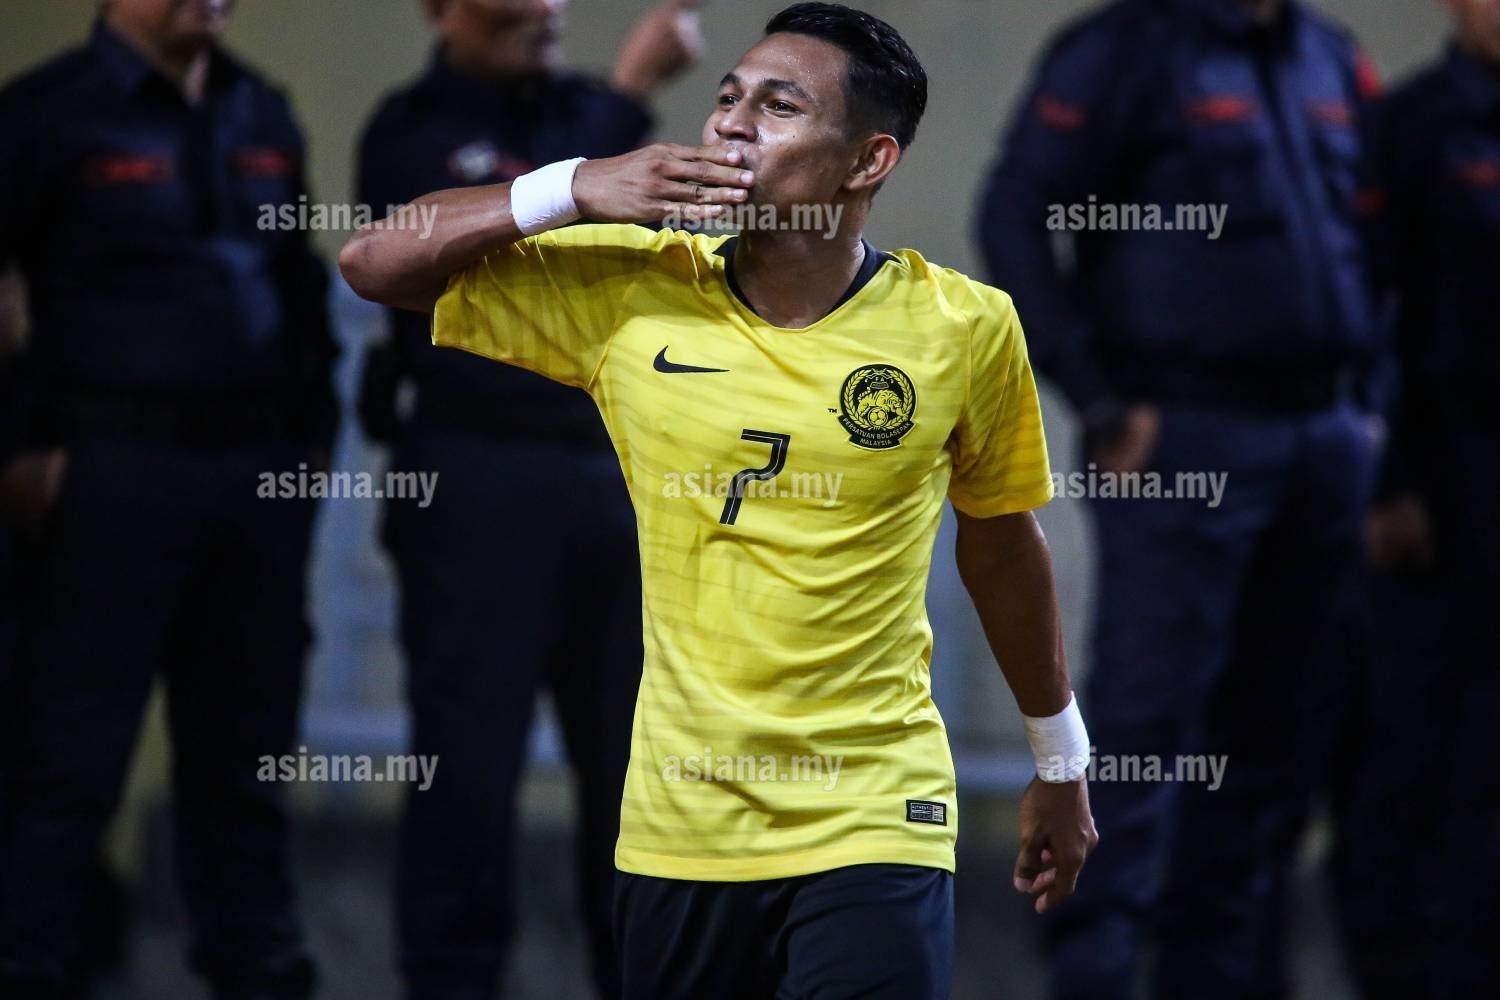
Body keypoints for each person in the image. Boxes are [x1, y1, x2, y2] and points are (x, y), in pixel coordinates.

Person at [341, 3, 1099, 997]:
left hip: (876, 811)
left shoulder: (964, 325)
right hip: (682, 824)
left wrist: (1061, 758)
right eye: (727, 97)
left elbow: (1000, 543)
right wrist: (575, 184)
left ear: (866, 161)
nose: (731, 123)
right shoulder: (632, 292)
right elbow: (372, 263)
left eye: (779, 107)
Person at [975, 0, 1384, 996]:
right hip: (1186, 439)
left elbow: (1376, 242)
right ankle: (1097, 974)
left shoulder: (1327, 55)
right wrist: (1098, 397)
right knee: (1146, 738)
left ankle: (1227, 977)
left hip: (1327, 440)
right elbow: (1015, 217)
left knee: (1279, 741)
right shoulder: (1124, 50)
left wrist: (1370, 408)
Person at [354, 1, 701, 997]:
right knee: (465, 771)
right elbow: (475, 244)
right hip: (475, 474)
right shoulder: (410, 129)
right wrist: (630, 100)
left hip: (615, 475)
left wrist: (620, 110)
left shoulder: (591, 109)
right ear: (441, 10)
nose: (544, 9)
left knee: (637, 779)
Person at [0, 0, 336, 995]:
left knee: (248, 761)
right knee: (67, 762)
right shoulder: (45, 113)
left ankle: (256, 970)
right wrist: (18, 446)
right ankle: (28, 964)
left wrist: (314, 436)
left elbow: (298, 284)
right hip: (109, 474)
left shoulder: (260, 110)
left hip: (255, 480)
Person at [1335, 1, 1500, 995]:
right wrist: (1388, 481)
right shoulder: (1409, 127)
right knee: (1411, 734)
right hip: (1434, 478)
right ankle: (1394, 963)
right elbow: (1364, 310)